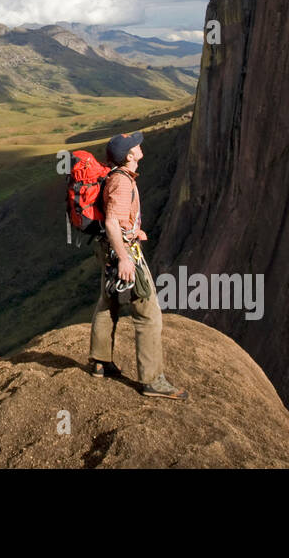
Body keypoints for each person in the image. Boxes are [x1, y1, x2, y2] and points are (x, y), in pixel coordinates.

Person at [88, 131, 188, 399]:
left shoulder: (117, 177)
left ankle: (100, 362)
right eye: (135, 145)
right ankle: (152, 380)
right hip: (123, 252)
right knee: (148, 313)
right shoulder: (122, 183)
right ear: (129, 155)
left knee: (107, 302)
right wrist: (124, 258)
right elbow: (111, 222)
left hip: (109, 250)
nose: (140, 145)